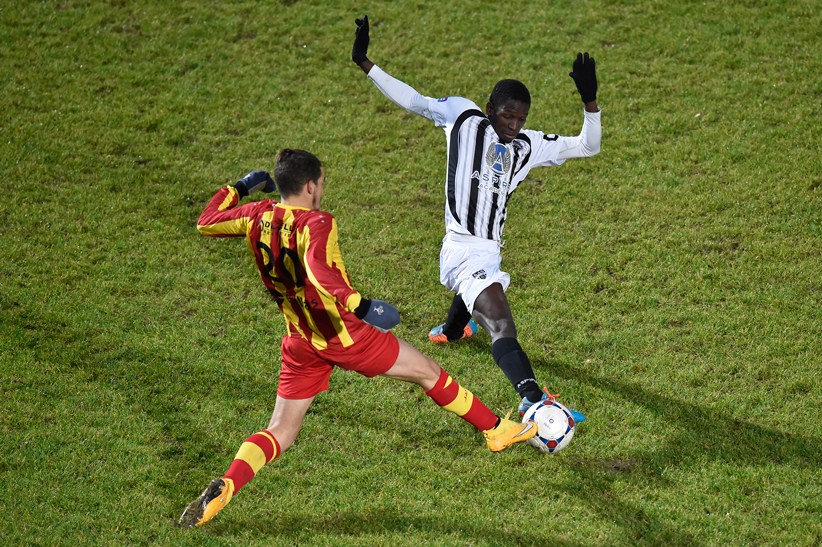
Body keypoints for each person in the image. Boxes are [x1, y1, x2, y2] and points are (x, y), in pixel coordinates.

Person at [177, 149, 537, 529]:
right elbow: (319, 272)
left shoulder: (257, 214)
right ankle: (497, 431)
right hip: (345, 335)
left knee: (280, 428)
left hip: (300, 339)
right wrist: (364, 306)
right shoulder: (317, 222)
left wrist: (241, 186)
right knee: (428, 372)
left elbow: (206, 222)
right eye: (322, 183)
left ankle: (227, 486)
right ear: (311, 185)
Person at [350, 16, 601, 420]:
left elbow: (589, 147)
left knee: (481, 290)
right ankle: (534, 400)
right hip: (463, 251)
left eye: (521, 119)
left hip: (488, 253)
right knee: (502, 325)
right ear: (490, 110)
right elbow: (414, 100)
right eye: (507, 117)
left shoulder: (529, 144)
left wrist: (590, 102)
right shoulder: (463, 117)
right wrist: (365, 61)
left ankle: (452, 330)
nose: (514, 126)